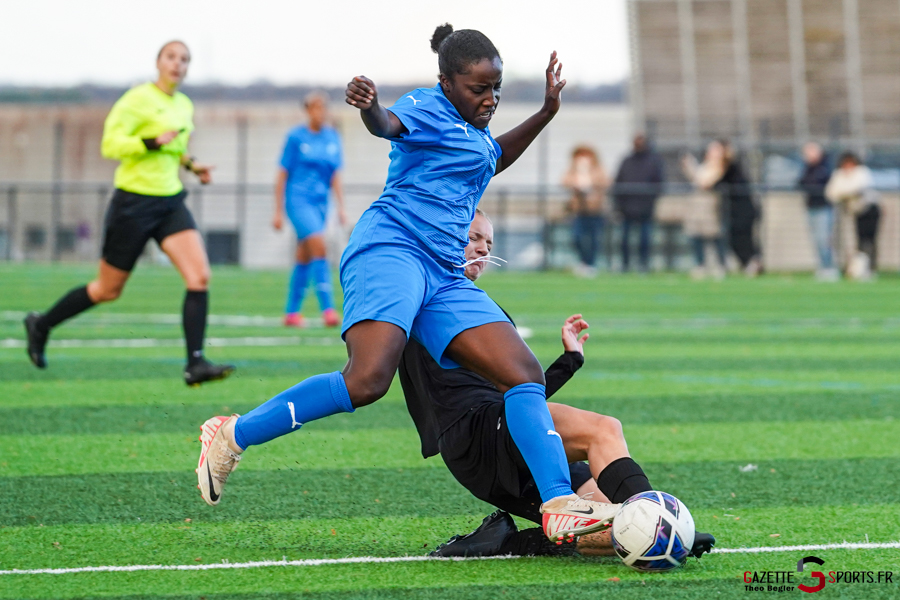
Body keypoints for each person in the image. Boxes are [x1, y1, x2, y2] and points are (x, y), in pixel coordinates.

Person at [196, 24, 620, 544]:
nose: (489, 99)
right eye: (478, 89)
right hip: (391, 250)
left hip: (443, 269)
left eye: (496, 89)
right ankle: (232, 434)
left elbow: (495, 158)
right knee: (367, 381)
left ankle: (558, 504)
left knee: (523, 373)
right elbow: (388, 125)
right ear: (447, 82)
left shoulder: (476, 134)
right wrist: (369, 106)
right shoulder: (426, 106)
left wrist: (547, 112)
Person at [398, 210, 715, 558]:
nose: (482, 249)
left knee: (611, 526)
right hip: (481, 430)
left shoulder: (458, 305)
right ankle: (661, 522)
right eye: (473, 238)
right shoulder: (433, 302)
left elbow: (522, 396)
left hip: (489, 446)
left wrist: (569, 361)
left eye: (489, 242)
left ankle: (502, 543)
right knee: (604, 429)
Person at [23, 41, 234, 386]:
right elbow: (110, 144)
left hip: (169, 202)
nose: (177, 64)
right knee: (107, 290)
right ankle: (41, 324)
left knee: (199, 277)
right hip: (133, 204)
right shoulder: (137, 99)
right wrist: (150, 142)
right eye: (171, 57)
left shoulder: (183, 104)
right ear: (158, 62)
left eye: (184, 60)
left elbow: (176, 148)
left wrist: (194, 167)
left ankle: (195, 363)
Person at [273, 91, 346, 328]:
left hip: (320, 203)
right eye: (315, 107)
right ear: (307, 110)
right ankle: (328, 309)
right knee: (319, 246)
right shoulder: (295, 137)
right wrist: (277, 211)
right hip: (298, 201)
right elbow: (282, 174)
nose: (320, 112)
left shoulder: (333, 137)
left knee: (304, 255)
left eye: (323, 107)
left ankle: (291, 313)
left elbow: (335, 175)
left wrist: (341, 207)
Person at [825, 152, 881, 280]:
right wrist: (845, 193)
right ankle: (856, 268)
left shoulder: (862, 172)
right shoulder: (839, 174)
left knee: (869, 239)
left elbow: (859, 188)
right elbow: (831, 193)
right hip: (853, 212)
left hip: (869, 209)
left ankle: (870, 268)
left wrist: (843, 193)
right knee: (857, 240)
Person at [613, 134, 664, 272]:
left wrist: (650, 201)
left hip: (645, 209)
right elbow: (618, 183)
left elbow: (659, 184)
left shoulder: (653, 162)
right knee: (624, 240)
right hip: (627, 209)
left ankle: (643, 265)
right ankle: (625, 265)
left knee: (645, 240)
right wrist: (619, 206)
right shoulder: (627, 161)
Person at [681, 141, 727, 279]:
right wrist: (688, 166)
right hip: (697, 207)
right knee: (697, 236)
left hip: (711, 207)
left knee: (714, 237)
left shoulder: (720, 167)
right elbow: (697, 179)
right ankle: (700, 264)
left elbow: (704, 182)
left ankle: (720, 265)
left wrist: (692, 168)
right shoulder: (704, 166)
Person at [561, 146, 609, 277]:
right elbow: (564, 181)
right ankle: (583, 262)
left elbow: (605, 182)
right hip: (579, 211)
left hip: (595, 211)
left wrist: (590, 184)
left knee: (594, 239)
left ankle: (590, 264)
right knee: (577, 238)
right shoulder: (573, 170)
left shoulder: (598, 169)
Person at [718, 141, 761, 277]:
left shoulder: (731, 167)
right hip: (734, 210)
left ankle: (753, 262)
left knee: (744, 239)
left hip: (744, 209)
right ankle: (749, 263)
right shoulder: (725, 167)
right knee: (734, 239)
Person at [798, 142, 837, 280]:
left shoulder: (825, 166)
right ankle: (822, 267)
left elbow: (819, 181)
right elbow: (801, 182)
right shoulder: (807, 167)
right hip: (811, 207)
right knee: (816, 239)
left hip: (824, 207)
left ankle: (830, 267)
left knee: (824, 239)